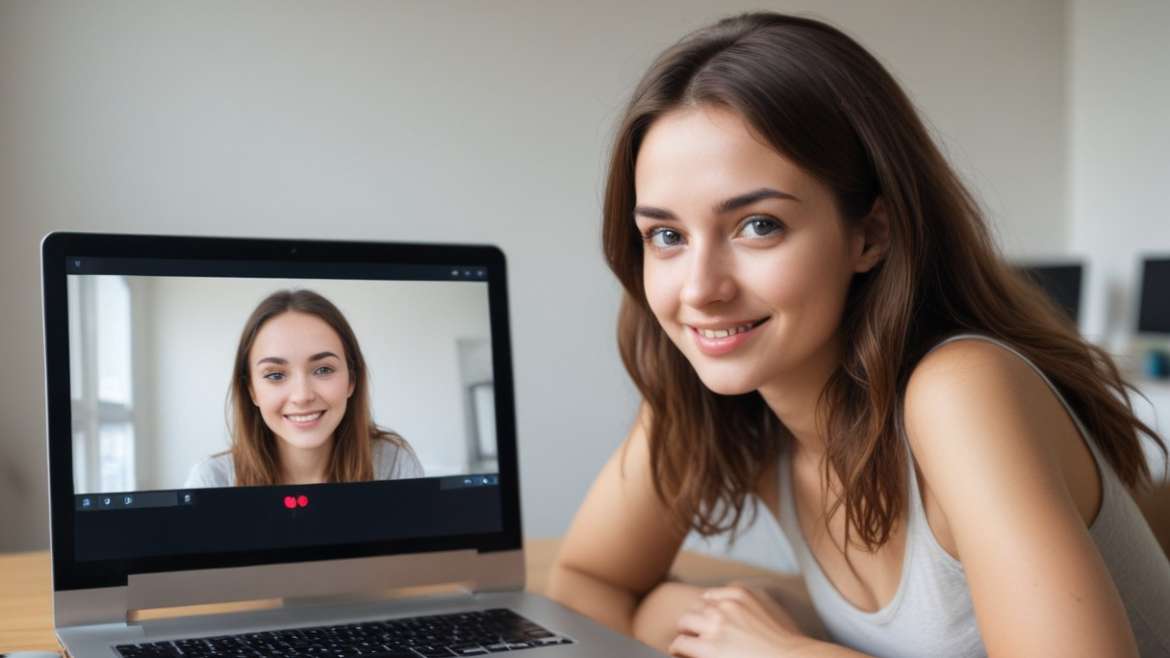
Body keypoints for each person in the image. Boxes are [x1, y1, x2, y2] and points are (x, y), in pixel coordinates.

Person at [548, 12, 1170, 658]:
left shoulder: (961, 390)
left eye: (758, 225)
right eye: (667, 236)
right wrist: (705, 618)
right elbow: (586, 585)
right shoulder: (719, 396)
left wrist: (783, 652)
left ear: (869, 236)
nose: (700, 288)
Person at [185, 289, 422, 488]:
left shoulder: (393, 463)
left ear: (352, 380)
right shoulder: (212, 480)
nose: (302, 396)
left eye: (323, 370)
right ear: (251, 390)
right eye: (275, 375)